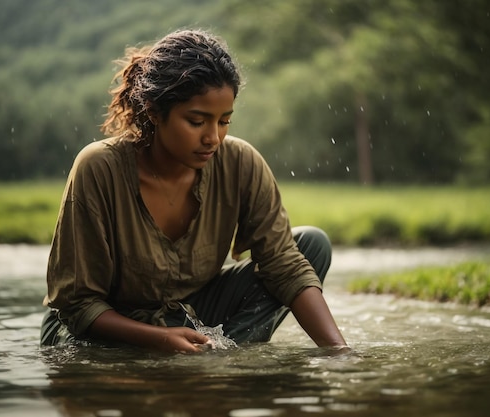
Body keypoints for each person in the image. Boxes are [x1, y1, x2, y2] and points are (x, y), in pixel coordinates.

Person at [40, 29, 348, 354]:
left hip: (182, 315)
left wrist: (341, 354)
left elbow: (283, 265)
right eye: (197, 121)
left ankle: (220, 357)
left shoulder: (240, 163)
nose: (213, 138)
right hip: (99, 328)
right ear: (154, 113)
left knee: (311, 246)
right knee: (86, 356)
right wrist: (159, 338)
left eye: (224, 121)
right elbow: (77, 305)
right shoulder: (99, 168)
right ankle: (186, 360)